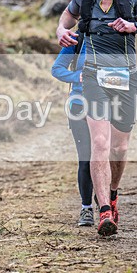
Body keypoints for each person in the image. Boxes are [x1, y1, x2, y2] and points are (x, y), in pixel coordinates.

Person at [56, 0, 137, 237]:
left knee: (119, 149)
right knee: (100, 143)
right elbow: (67, 17)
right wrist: (60, 31)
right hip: (93, 78)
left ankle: (113, 193)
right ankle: (104, 210)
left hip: (126, 78)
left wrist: (134, 27)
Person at [51, 33, 94, 227]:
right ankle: (86, 209)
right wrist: (78, 76)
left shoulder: (114, 35)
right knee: (85, 158)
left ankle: (107, 207)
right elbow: (57, 69)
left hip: (109, 104)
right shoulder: (78, 39)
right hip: (79, 105)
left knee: (106, 157)